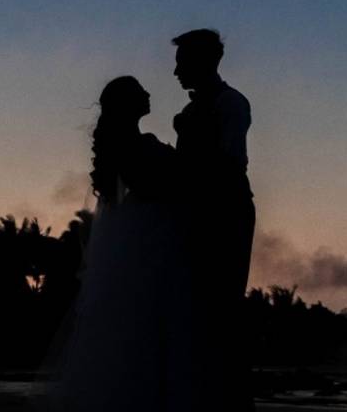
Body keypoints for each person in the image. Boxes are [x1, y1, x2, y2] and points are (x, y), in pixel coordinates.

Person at [43, 76, 194, 412]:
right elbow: (157, 188)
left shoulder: (129, 145)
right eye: (141, 91)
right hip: (148, 242)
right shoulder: (133, 148)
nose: (149, 93)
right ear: (128, 103)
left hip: (143, 238)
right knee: (144, 322)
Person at [172, 28, 255, 411]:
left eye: (180, 62)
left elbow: (229, 162)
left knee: (223, 300)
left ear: (202, 62)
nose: (175, 72)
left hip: (226, 212)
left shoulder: (232, 103)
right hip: (194, 213)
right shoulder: (191, 110)